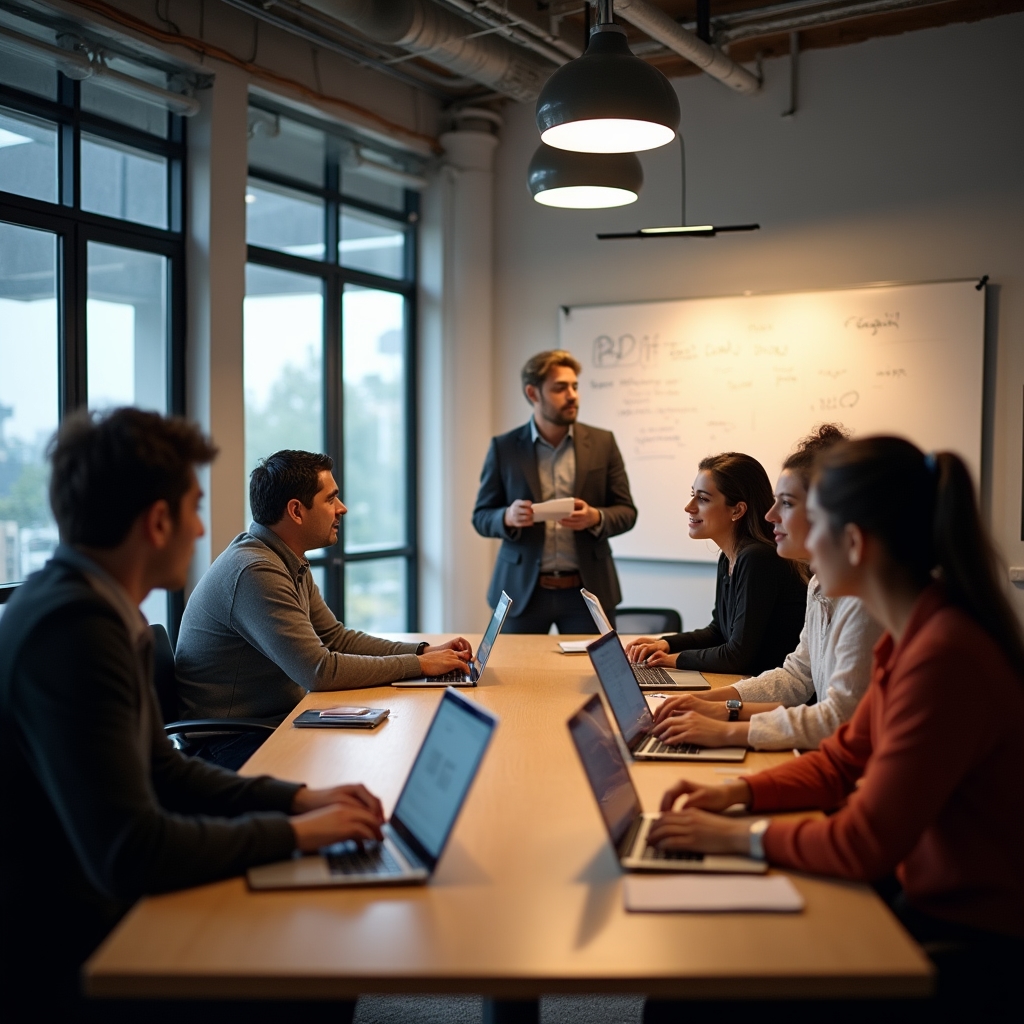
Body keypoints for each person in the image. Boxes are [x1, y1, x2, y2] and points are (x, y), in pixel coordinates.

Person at [0, 409, 385, 1021]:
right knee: (317, 950)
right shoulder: (74, 632)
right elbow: (133, 850)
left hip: (98, 896)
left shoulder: (99, 610)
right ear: (158, 522)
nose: (203, 527)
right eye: (194, 508)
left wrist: (295, 802)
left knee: (318, 914)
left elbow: (166, 772)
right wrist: (292, 834)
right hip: (75, 945)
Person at [644, 437, 1024, 1022]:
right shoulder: (913, 634)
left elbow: (862, 842)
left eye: (803, 514)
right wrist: (735, 794)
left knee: (690, 993)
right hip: (914, 892)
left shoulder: (945, 655)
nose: (775, 521)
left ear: (853, 542)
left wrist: (734, 837)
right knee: (694, 974)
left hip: (962, 940)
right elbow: (842, 759)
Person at [176, 449, 472, 768]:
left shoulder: (286, 559)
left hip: (269, 725)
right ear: (296, 511)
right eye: (331, 499)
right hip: (230, 743)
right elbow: (319, 671)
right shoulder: (255, 571)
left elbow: (336, 639)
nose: (342, 509)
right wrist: (419, 666)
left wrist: (422, 652)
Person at [650, 425, 882, 750]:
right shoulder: (819, 584)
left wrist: (727, 729)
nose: (771, 515)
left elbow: (839, 718)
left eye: (786, 503)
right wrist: (709, 703)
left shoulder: (864, 600)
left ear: (827, 513)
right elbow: (796, 676)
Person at [472, 350, 637, 634]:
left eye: (574, 386)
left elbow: (627, 512)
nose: (572, 395)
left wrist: (595, 517)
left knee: (592, 676)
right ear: (533, 393)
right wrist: (507, 517)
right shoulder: (505, 447)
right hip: (521, 591)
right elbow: (481, 516)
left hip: (588, 592)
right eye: (560, 388)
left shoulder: (602, 442)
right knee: (516, 674)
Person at [626, 452, 807, 676]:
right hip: (747, 681)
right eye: (693, 495)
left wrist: (672, 660)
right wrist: (666, 644)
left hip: (770, 693)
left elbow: (736, 656)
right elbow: (718, 632)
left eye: (703, 499)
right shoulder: (729, 557)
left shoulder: (758, 558)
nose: (689, 507)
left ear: (737, 510)